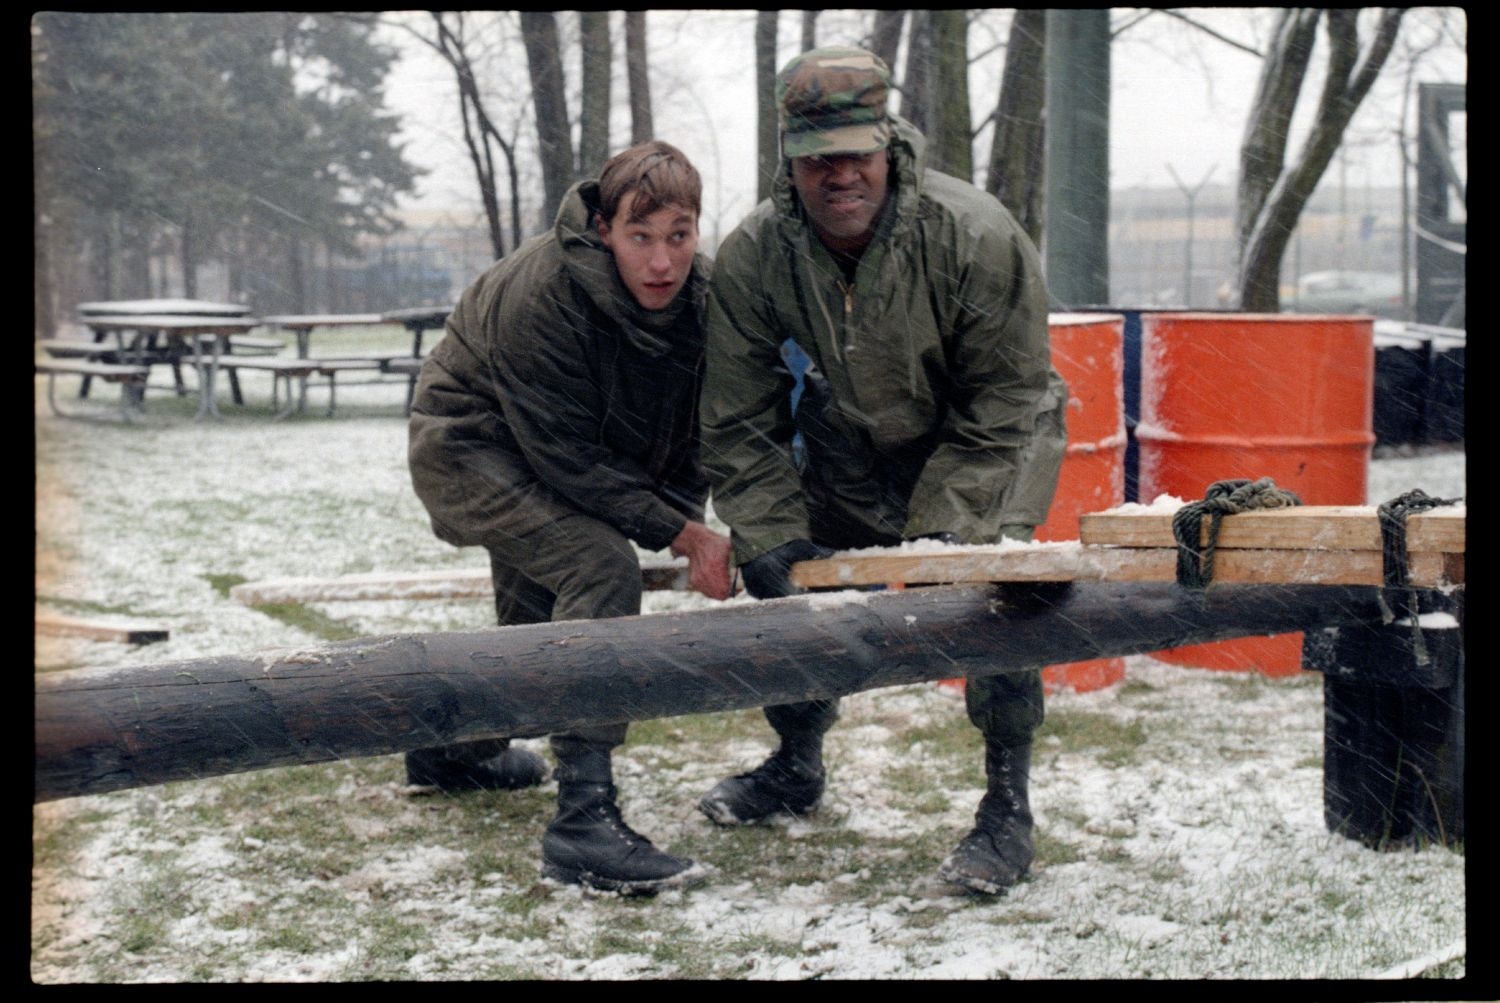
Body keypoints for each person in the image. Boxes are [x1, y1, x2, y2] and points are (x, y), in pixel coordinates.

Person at [697, 47, 1069, 895]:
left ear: (887, 147)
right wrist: (765, 524)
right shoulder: (757, 253)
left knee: (994, 600)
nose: (839, 176)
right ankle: (797, 759)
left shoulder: (972, 231)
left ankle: (1006, 807)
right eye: (817, 158)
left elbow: (1009, 395)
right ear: (789, 159)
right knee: (790, 598)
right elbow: (735, 415)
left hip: (987, 438)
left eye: (854, 154)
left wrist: (947, 526)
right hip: (850, 441)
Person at [407, 140, 732, 895]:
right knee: (596, 563)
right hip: (469, 444)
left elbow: (689, 429)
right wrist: (681, 532)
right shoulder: (543, 293)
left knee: (537, 627)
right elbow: (565, 458)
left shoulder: (703, 301)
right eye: (640, 237)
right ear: (604, 226)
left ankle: (450, 747)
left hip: (547, 450)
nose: (661, 261)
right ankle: (583, 822)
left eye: (678, 236)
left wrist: (690, 521)